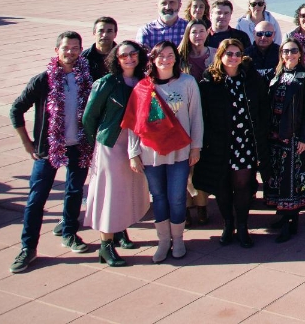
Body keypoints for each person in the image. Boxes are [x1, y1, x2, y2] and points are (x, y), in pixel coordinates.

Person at [8, 32, 95, 273]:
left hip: (79, 145)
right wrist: (27, 143)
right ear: (57, 50)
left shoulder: (87, 78)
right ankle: (28, 247)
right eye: (66, 48)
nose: (70, 52)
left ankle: (69, 232)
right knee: (37, 198)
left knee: (75, 191)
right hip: (48, 148)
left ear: (80, 50)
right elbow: (16, 109)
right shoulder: (43, 80)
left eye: (75, 48)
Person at [127, 41, 204, 261]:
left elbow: (196, 116)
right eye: (160, 56)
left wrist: (195, 147)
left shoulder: (187, 83)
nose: (166, 59)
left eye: (170, 55)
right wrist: (133, 153)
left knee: (177, 197)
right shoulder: (142, 87)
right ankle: (163, 240)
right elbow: (134, 124)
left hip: (179, 151)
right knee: (158, 197)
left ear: (176, 58)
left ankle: (178, 239)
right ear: (152, 59)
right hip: (150, 153)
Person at [194, 39, 269, 248]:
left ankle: (243, 226)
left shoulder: (251, 78)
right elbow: (203, 115)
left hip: (245, 142)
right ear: (220, 56)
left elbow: (263, 107)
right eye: (229, 53)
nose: (234, 57)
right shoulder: (209, 82)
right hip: (218, 143)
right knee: (222, 186)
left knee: (243, 185)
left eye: (237, 53)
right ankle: (228, 225)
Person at [81, 40, 149, 266]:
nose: (129, 58)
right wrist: (99, 145)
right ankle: (105, 246)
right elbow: (89, 118)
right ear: (116, 59)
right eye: (123, 55)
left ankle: (120, 230)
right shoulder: (106, 83)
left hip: (135, 144)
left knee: (128, 191)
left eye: (133, 54)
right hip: (111, 144)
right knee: (109, 195)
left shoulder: (143, 81)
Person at [263, 39, 305, 242]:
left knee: (290, 181)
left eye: (294, 51)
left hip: (293, 138)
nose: (290, 54)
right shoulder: (276, 75)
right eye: (286, 51)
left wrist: (304, 138)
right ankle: (284, 216)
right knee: (277, 178)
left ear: (300, 54)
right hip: (274, 137)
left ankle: (289, 221)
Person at [177, 20, 214, 226]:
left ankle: (201, 205)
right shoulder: (179, 57)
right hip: (183, 116)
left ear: (208, 33)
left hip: (207, 116)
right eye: (194, 32)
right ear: (187, 34)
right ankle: (186, 207)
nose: (198, 35)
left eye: (201, 31)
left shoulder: (215, 53)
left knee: (201, 164)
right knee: (183, 165)